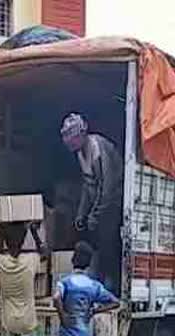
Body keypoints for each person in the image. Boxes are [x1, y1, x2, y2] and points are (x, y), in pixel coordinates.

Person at [61, 113, 124, 294]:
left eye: (71, 138)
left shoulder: (97, 148)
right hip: (100, 203)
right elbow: (88, 187)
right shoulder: (80, 153)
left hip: (113, 202)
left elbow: (108, 187)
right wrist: (81, 214)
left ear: (81, 134)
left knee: (106, 244)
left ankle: (109, 287)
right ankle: (96, 283)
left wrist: (95, 215)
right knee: (91, 237)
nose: (69, 143)